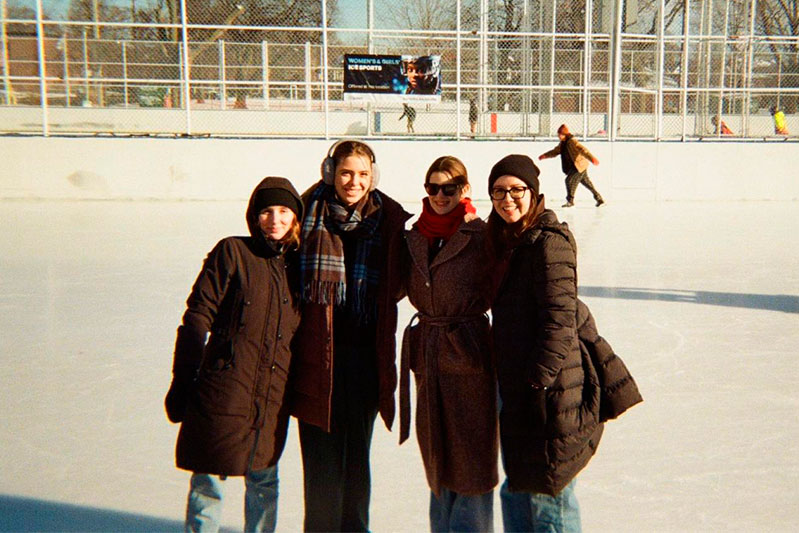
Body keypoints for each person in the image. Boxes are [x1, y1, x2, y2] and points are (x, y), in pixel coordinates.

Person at [164, 177, 305, 533]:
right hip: (225, 389)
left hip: (273, 395)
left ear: (295, 219)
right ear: (254, 216)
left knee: (264, 480)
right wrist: (183, 380)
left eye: (284, 211)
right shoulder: (233, 252)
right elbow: (197, 316)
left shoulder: (299, 266)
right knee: (209, 481)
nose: (275, 219)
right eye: (267, 211)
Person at [289, 139, 412, 532]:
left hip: (365, 357)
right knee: (320, 460)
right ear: (330, 172)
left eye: (362, 174)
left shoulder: (388, 219)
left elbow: (403, 279)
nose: (353, 182)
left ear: (373, 175)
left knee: (357, 455)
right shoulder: (305, 212)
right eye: (345, 173)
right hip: (315, 355)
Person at [485, 154, 605, 533]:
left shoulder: (549, 243)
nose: (508, 199)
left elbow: (560, 320)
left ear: (533, 193)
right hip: (518, 384)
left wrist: (538, 380)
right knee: (519, 482)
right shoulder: (507, 239)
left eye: (516, 190)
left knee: (551, 487)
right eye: (499, 191)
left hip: (548, 387)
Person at [399, 156, 498, 532]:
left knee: (471, 462)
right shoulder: (412, 236)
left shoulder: (482, 236)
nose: (440, 195)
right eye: (432, 188)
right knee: (437, 457)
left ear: (465, 190)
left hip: (469, 355)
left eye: (449, 188)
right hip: (428, 356)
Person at [539, 124, 604, 208]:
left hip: (579, 166)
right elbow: (555, 151)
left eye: (560, 134)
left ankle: (570, 201)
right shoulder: (563, 143)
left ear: (565, 134)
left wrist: (592, 158)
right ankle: (599, 199)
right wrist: (545, 155)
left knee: (569, 180)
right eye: (558, 134)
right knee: (587, 184)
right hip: (575, 166)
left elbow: (583, 150)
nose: (559, 136)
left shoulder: (572, 141)